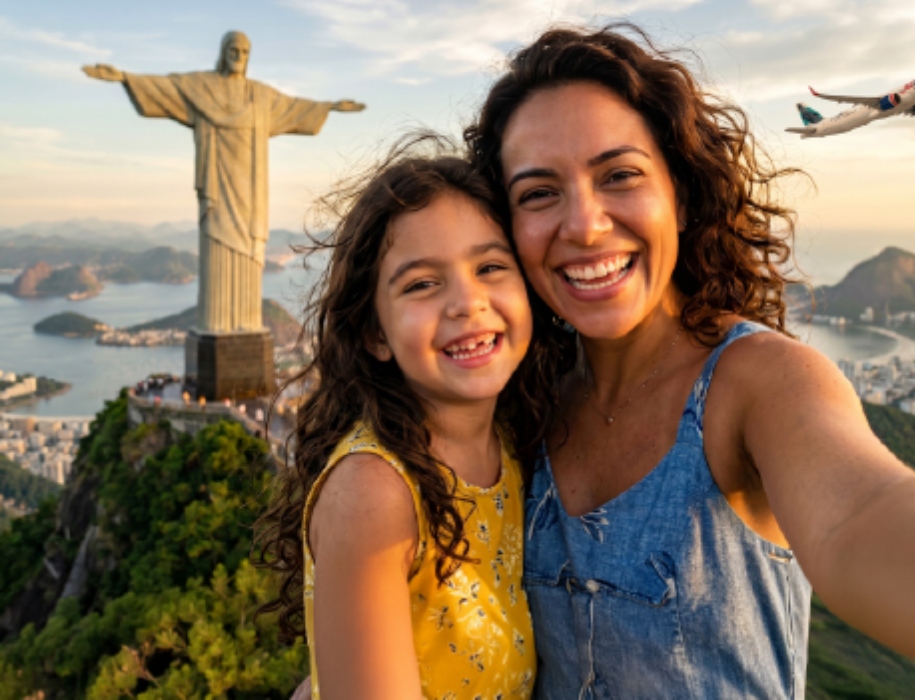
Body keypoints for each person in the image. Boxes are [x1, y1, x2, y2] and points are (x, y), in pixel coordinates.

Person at [462, 24, 915, 699]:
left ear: (680, 195)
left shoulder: (759, 383)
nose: (585, 224)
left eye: (620, 175)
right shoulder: (520, 407)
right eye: (539, 193)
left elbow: (859, 519)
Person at [255, 140, 565, 699]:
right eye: (422, 283)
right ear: (375, 333)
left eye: (491, 266)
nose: (467, 302)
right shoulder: (374, 494)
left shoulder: (514, 443)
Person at [82, 31, 364, 333]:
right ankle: (217, 322)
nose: (238, 56)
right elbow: (167, 88)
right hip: (217, 184)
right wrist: (126, 78)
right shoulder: (203, 87)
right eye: (233, 49)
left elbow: (294, 108)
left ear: (249, 56)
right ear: (223, 51)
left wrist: (329, 107)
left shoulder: (260, 96)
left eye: (244, 51)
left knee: (247, 252)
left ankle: (247, 322)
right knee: (218, 248)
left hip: (250, 192)